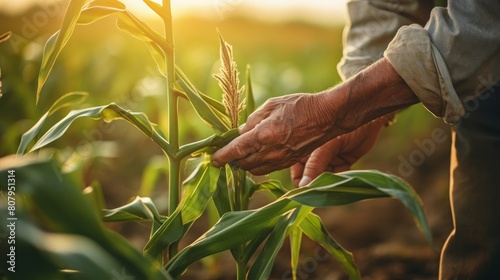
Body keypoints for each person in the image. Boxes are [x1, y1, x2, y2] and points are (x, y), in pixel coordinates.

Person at [212, 0, 500, 279]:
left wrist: (337, 111)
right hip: (479, 99)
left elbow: (482, 27)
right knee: (481, 244)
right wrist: (362, 108)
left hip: (486, 69)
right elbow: (387, 5)